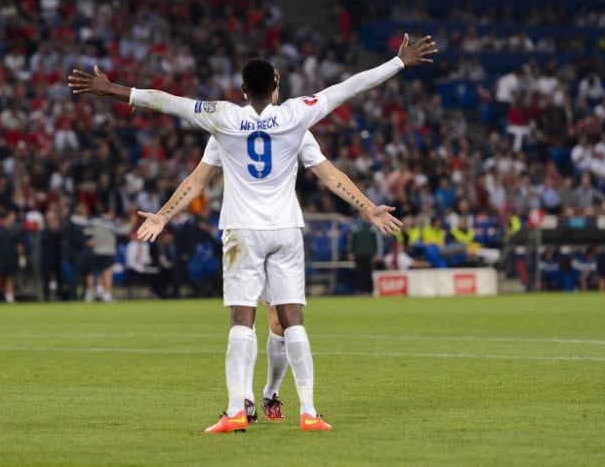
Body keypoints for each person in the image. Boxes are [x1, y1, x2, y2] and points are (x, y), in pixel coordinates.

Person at [69, 32, 437, 433]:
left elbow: (166, 102)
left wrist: (112, 91)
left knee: (242, 321)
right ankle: (309, 411)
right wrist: (398, 63)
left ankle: (235, 411)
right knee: (292, 319)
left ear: (243, 90)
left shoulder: (222, 118)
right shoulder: (297, 115)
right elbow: (348, 88)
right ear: (276, 87)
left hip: (243, 231)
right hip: (286, 229)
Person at [0, 209, 26, 304]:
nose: (13, 218)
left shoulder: (16, 231)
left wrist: (22, 257)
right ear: (6, 217)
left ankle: (10, 298)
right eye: (11, 216)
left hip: (11, 257)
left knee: (10, 278)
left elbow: (19, 245)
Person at [40, 210, 64, 301]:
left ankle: (59, 296)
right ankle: (46, 297)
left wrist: (56, 230)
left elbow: (62, 241)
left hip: (57, 257)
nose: (52, 221)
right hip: (47, 258)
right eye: (50, 219)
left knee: (59, 277)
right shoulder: (44, 232)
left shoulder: (59, 231)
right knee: (46, 277)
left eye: (53, 219)